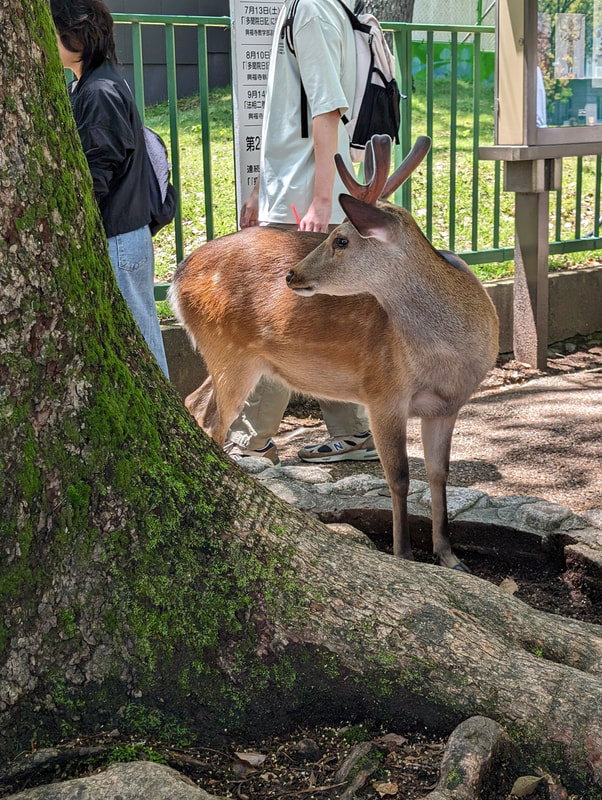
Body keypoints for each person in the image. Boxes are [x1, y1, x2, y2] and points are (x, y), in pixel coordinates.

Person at [226, 0, 378, 466]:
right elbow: (288, 120)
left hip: (303, 202)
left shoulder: (310, 10)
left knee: (278, 324)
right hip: (299, 195)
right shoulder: (322, 8)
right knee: (320, 325)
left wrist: (318, 200)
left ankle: (251, 441)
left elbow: (327, 111)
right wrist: (258, 191)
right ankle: (351, 433)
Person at [51, 0, 170, 378]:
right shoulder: (99, 81)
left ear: (77, 35)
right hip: (125, 232)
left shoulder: (98, 90)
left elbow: (96, 171)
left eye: (55, 31)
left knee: (140, 343)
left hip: (117, 236)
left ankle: (159, 432)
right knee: (141, 336)